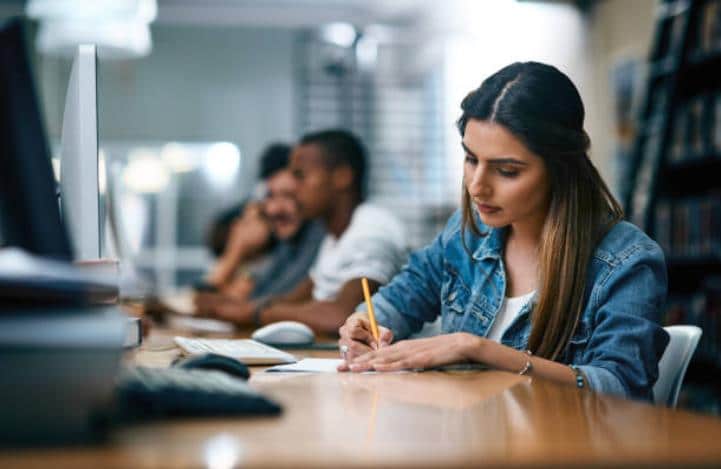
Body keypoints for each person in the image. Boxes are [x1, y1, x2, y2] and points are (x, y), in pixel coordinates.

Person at [337, 62, 669, 401]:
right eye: (470, 159)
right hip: (473, 443)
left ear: (560, 169)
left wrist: (478, 350)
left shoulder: (627, 261)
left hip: (565, 450)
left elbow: (620, 389)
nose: (477, 186)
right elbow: (399, 299)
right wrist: (362, 324)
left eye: (507, 171)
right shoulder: (467, 233)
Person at [198, 129, 408, 334]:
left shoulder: (371, 229)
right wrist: (227, 307)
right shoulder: (335, 236)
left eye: (300, 176)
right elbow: (295, 299)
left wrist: (254, 313)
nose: (293, 188)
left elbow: (343, 316)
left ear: (341, 177)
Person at [202, 143, 325, 302]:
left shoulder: (319, 233)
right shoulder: (287, 244)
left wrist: (236, 250)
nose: (275, 209)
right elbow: (258, 298)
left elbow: (268, 303)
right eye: (270, 196)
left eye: (288, 196)